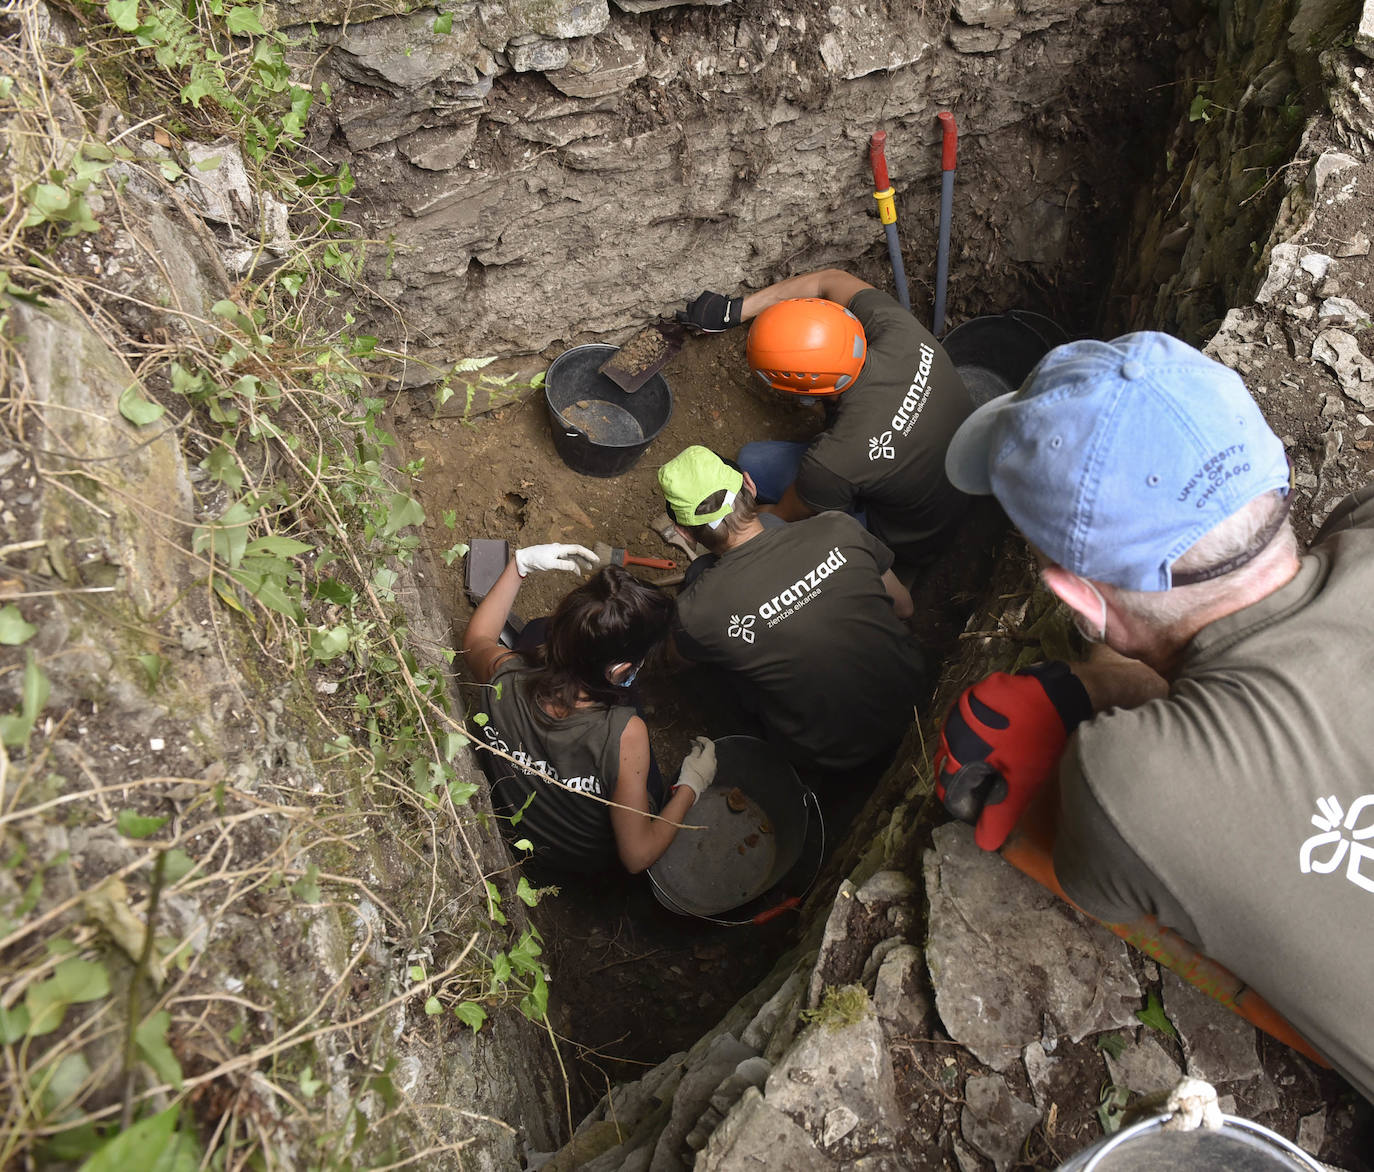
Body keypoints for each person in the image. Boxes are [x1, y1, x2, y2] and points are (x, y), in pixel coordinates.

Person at [933, 330, 1374, 1102]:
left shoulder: (1129, 786)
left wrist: (1108, 688)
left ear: (1081, 601)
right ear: (1277, 477)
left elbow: (1096, 881)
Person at [657, 445, 925, 786]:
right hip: (916, 705)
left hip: (830, 757)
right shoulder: (837, 528)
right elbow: (905, 608)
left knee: (701, 581)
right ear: (750, 485)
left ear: (684, 532)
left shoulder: (697, 611)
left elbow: (674, 662)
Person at [676, 268, 973, 564]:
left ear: (803, 392)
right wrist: (734, 311)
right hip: (975, 470)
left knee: (753, 462)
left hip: (913, 537)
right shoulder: (895, 326)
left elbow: (780, 516)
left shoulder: (832, 460)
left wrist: (719, 530)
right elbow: (826, 280)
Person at [461, 543, 718, 875]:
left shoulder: (507, 674)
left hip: (520, 826)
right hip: (581, 864)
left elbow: (477, 638)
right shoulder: (624, 733)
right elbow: (636, 857)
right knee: (638, 766)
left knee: (535, 629)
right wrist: (689, 787)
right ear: (619, 670)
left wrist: (519, 565)